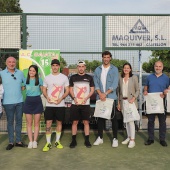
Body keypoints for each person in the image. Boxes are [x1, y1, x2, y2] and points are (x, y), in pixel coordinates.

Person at [0, 56, 27, 150]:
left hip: (19, 101)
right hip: (7, 103)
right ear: (6, 63)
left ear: (15, 63)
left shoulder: (20, 73)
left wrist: (24, 86)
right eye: (9, 62)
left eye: (13, 62)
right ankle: (11, 142)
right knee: (10, 122)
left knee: (19, 122)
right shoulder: (1, 73)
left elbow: (26, 82)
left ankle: (18, 141)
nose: (12, 64)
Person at [42, 59, 69, 152]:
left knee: (59, 123)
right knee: (48, 123)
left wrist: (61, 99)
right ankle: (48, 143)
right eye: (53, 65)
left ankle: (57, 141)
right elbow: (44, 90)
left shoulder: (64, 78)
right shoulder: (47, 78)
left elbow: (67, 90)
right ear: (51, 66)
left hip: (60, 105)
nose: (55, 67)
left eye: (56, 65)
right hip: (49, 105)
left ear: (59, 67)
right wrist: (47, 97)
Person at [93, 51, 119, 147]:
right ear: (102, 58)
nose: (106, 59)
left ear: (110, 58)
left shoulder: (115, 69)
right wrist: (100, 94)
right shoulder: (97, 69)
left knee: (113, 119)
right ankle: (100, 137)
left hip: (110, 98)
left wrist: (105, 93)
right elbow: (96, 83)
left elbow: (115, 84)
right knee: (100, 118)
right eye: (104, 57)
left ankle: (115, 138)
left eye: (108, 57)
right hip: (100, 97)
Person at [69, 61, 95, 148]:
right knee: (74, 122)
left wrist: (86, 98)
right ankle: (73, 140)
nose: (81, 68)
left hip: (85, 103)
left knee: (86, 122)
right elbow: (70, 90)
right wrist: (74, 98)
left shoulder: (89, 78)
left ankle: (87, 140)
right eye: (79, 66)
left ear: (85, 67)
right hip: (75, 103)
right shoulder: (73, 77)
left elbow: (92, 90)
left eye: (82, 66)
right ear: (77, 67)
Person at [143, 61, 169, 147]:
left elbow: (168, 88)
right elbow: (146, 87)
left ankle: (162, 139)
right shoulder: (149, 77)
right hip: (151, 103)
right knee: (150, 121)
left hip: (162, 103)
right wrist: (145, 90)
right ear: (154, 67)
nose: (158, 68)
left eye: (159, 66)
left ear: (162, 67)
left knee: (162, 122)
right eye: (156, 66)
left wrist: (166, 92)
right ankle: (151, 139)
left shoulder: (166, 78)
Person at [117, 63, 139, 148]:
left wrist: (134, 98)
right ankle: (129, 137)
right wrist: (119, 103)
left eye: (128, 68)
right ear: (123, 69)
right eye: (125, 68)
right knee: (126, 121)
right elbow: (118, 91)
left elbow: (138, 90)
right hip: (123, 102)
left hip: (131, 102)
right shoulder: (120, 78)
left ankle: (132, 140)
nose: (126, 69)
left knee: (131, 121)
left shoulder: (134, 78)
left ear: (130, 69)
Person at [23, 65, 43, 149]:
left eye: (33, 71)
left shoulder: (40, 80)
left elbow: (43, 91)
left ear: (36, 72)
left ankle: (35, 141)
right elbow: (20, 89)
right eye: (30, 70)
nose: (31, 72)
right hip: (28, 102)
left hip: (37, 102)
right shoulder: (25, 80)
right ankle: (30, 141)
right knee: (29, 123)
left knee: (37, 123)